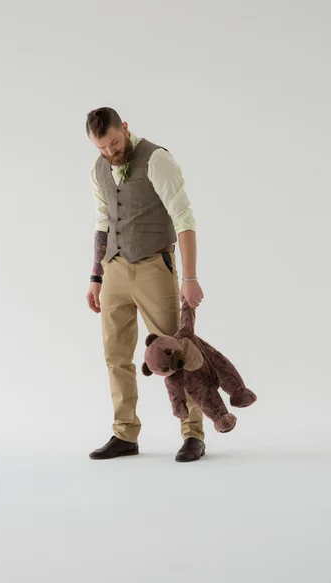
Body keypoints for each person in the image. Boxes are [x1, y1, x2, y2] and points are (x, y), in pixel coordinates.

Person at [85, 107, 205, 462]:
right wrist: (96, 277)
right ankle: (125, 433)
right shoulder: (98, 169)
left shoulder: (157, 159)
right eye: (101, 148)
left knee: (177, 353)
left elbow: (184, 218)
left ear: (124, 128)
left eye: (114, 143)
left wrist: (190, 277)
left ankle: (193, 433)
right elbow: (102, 223)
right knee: (115, 355)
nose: (110, 152)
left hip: (154, 265)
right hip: (115, 271)